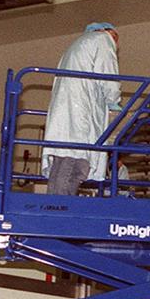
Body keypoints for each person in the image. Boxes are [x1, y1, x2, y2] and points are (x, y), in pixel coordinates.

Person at [42, 22, 121, 196]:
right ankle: (61, 209)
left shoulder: (78, 45)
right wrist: (114, 101)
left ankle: (54, 206)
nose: (115, 44)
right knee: (74, 164)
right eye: (115, 39)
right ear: (109, 32)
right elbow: (108, 75)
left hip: (68, 110)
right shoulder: (102, 39)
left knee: (62, 164)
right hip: (79, 112)